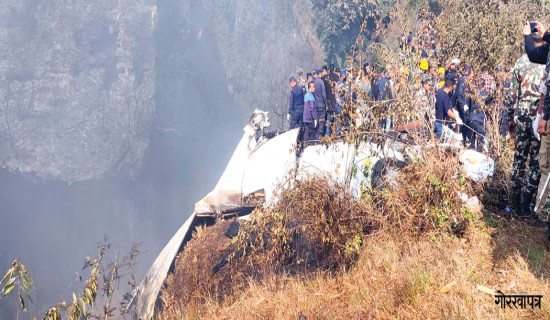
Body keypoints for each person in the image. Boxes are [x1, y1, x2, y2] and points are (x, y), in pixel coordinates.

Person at [508, 37, 545, 216]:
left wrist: (509, 117)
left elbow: (512, 93)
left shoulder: (521, 61)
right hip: (539, 118)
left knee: (519, 161)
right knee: (536, 164)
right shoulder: (546, 60)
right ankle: (526, 205)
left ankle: (515, 204)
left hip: (523, 116)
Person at [313, 69, 327, 139]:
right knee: (322, 120)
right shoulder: (321, 82)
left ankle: (316, 136)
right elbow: (324, 94)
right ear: (320, 73)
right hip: (321, 104)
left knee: (317, 121)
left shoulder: (314, 82)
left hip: (316, 104)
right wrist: (325, 103)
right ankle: (320, 137)